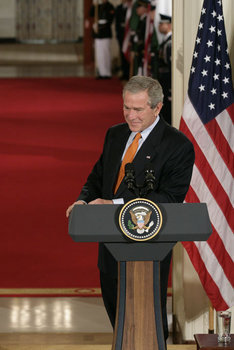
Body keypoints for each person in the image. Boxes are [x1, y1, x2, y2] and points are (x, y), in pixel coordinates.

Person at [65, 76, 194, 340]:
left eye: (138, 109)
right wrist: (83, 200)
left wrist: (113, 204)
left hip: (147, 247)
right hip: (110, 248)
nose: (130, 116)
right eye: (126, 108)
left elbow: (169, 198)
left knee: (147, 324)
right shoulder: (115, 134)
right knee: (118, 321)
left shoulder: (177, 145)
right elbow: (98, 177)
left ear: (157, 108)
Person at [87, 0, 115, 79]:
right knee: (99, 54)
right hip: (98, 34)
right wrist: (93, 5)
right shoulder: (98, 6)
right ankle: (101, 72)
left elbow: (110, 19)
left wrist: (101, 25)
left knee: (105, 53)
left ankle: (107, 73)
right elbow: (91, 14)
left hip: (105, 33)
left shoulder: (110, 6)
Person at [157, 13, 172, 125]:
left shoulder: (171, 42)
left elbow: (169, 65)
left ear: (169, 25)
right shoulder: (166, 41)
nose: (160, 26)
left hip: (168, 80)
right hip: (163, 79)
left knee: (167, 109)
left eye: (162, 24)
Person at [115, 0, 132, 80]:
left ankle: (128, 72)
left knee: (128, 54)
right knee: (122, 54)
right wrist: (117, 33)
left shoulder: (130, 8)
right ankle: (124, 72)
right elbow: (117, 23)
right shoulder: (118, 8)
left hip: (128, 35)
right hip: (121, 34)